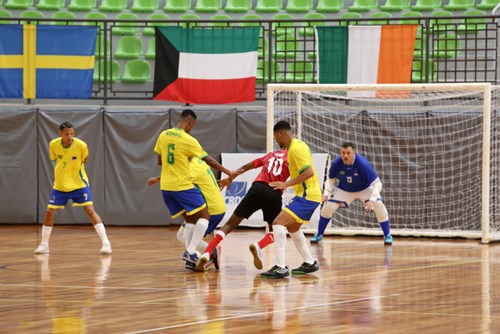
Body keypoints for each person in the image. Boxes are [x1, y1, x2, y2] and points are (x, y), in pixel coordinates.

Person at [153, 109, 234, 268]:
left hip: (166, 188)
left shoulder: (163, 135)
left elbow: (160, 162)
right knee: (204, 215)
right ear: (190, 123)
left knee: (190, 220)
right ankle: (194, 251)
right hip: (182, 186)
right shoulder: (189, 141)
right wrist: (228, 172)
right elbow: (209, 160)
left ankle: (195, 254)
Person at [194, 149, 289, 271]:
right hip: (274, 192)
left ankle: (207, 253)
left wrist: (230, 178)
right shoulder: (291, 157)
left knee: (229, 225)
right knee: (276, 230)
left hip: (257, 188)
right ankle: (258, 246)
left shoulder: (270, 155)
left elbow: (246, 166)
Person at [249, 120, 321, 279]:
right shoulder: (299, 145)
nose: (277, 141)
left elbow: (309, 172)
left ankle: (280, 267)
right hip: (309, 195)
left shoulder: (295, 149)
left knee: (278, 223)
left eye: (276, 138)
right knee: (293, 228)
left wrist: (286, 183)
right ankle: (309, 262)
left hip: (307, 196)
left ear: (279, 134)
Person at [34, 122, 112, 255]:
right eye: (66, 134)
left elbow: (84, 160)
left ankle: (106, 243)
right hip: (60, 185)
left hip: (79, 184)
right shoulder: (53, 144)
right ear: (60, 133)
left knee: (90, 210)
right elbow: (56, 160)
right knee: (49, 211)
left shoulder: (81, 145)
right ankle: (44, 245)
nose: (69, 136)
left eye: (71, 133)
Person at [147, 156, 226, 270]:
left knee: (189, 236)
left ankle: (209, 251)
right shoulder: (198, 161)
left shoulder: (193, 166)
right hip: (210, 206)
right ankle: (204, 252)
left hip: (212, 209)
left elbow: (178, 177)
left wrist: (158, 179)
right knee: (181, 235)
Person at [310, 142, 393, 245]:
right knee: (328, 206)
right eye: (343, 153)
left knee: (379, 205)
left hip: (365, 189)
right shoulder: (336, 163)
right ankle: (319, 234)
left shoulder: (363, 164)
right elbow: (331, 180)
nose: (345, 156)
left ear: (354, 153)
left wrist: (372, 200)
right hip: (344, 189)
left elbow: (377, 183)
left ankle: (387, 235)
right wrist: (326, 193)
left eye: (348, 153)